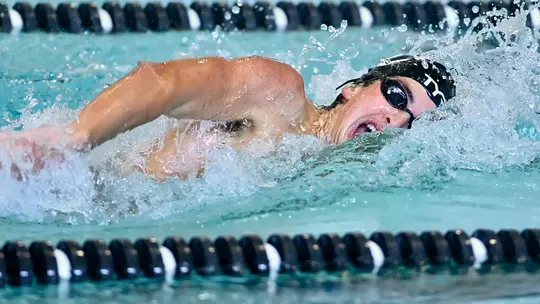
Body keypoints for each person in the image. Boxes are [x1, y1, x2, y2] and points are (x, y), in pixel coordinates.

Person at [1, 54, 455, 180]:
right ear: (353, 87)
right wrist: (74, 138)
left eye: (411, 119)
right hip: (48, 174)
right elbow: (161, 83)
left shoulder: (317, 171)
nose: (396, 119)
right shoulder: (279, 97)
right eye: (397, 95)